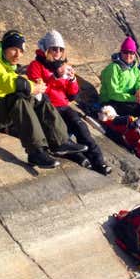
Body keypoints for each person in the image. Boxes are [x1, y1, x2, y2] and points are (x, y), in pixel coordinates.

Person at [0, 30, 87, 168]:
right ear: (4, 47)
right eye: (14, 49)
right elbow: (6, 81)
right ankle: (36, 152)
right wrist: (32, 87)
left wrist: (35, 88)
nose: (18, 55)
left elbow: (17, 78)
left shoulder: (6, 64)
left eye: (21, 51)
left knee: (39, 97)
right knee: (18, 99)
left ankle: (60, 142)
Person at [25, 30, 112, 175]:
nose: (57, 52)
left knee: (80, 126)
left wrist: (72, 79)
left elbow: (72, 95)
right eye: (54, 48)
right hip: (46, 107)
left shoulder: (62, 65)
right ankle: (78, 156)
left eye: (60, 49)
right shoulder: (36, 65)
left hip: (63, 106)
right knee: (61, 130)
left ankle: (99, 161)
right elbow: (38, 90)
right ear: (46, 49)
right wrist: (56, 77)